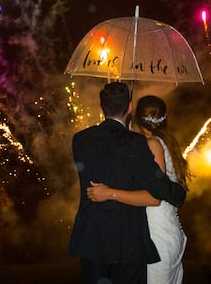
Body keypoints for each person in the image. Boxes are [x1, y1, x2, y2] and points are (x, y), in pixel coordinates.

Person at [68, 82, 186, 284]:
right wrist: (178, 193)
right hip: (127, 243)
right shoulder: (135, 143)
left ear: (100, 109)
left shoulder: (80, 140)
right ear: (130, 107)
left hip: (92, 240)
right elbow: (156, 188)